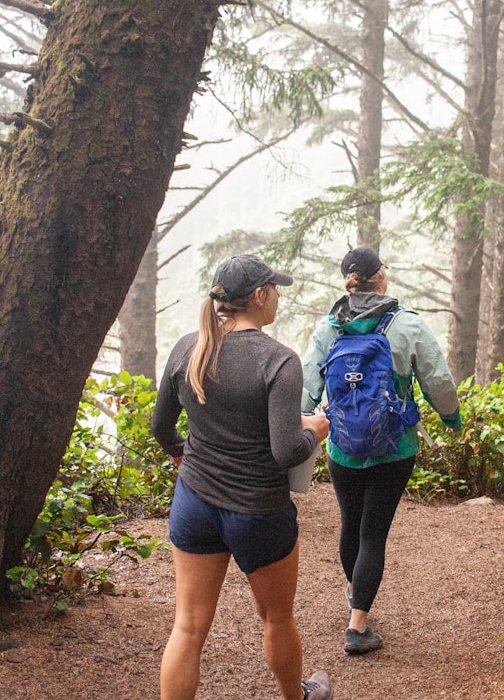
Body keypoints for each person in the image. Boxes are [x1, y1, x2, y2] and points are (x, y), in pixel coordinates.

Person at [152, 254, 333, 700]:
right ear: (258, 296)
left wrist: (184, 458)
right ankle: (298, 697)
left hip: (194, 503)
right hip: (258, 511)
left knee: (189, 627)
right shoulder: (278, 361)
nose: (277, 299)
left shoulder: (187, 349)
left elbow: (161, 428)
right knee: (276, 618)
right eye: (275, 290)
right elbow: (284, 451)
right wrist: (316, 432)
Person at [301, 246, 462, 655]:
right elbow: (437, 379)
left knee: (351, 524)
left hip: (343, 448)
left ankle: (357, 591)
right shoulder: (406, 324)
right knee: (374, 533)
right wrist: (451, 417)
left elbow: (306, 388)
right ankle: (357, 627)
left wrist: (299, 424)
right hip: (395, 447)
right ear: (382, 276)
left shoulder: (328, 327)